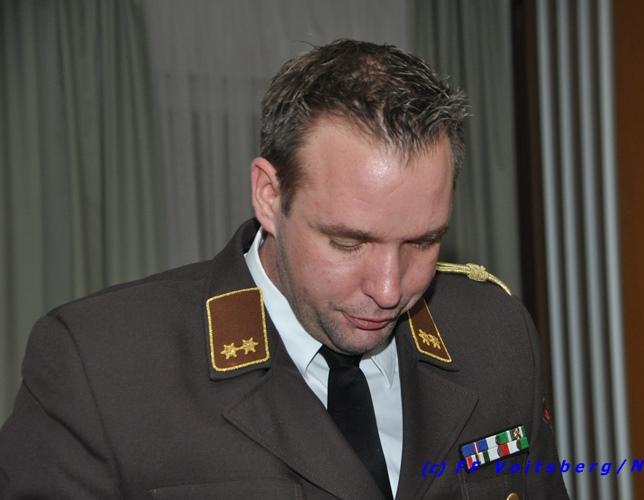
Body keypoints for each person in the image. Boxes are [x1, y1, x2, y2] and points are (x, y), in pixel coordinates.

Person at [0, 39, 569, 499]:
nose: (388, 288)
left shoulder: (493, 338)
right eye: (348, 243)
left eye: (423, 242)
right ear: (270, 196)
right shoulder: (103, 367)